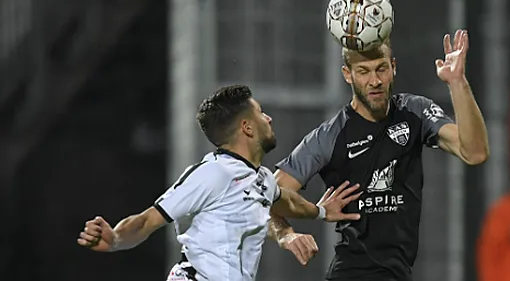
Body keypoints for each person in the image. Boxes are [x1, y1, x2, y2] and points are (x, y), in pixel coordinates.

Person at [76, 85, 362, 281]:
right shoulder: (213, 174)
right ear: (247, 127)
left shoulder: (260, 178)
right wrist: (114, 239)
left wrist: (321, 212)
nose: (269, 117)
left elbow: (285, 201)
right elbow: (148, 220)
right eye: (261, 112)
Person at [268, 30, 489, 281]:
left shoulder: (415, 112)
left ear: (393, 67)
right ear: (347, 75)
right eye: (363, 71)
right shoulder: (330, 136)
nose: (375, 80)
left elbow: (475, 152)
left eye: (381, 68)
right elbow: (266, 198)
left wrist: (458, 82)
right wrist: (289, 232)